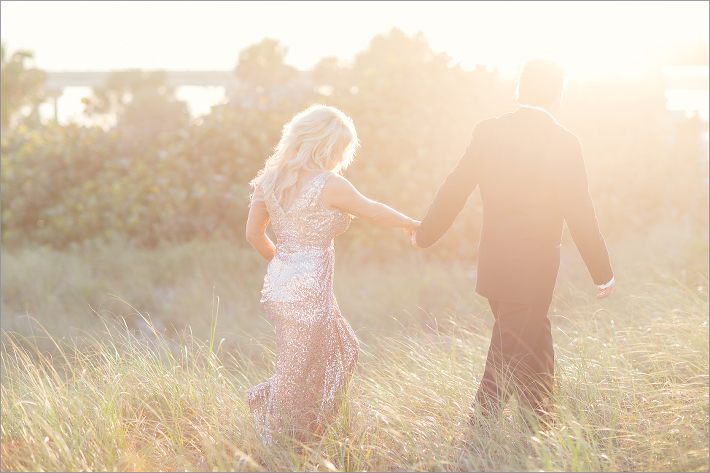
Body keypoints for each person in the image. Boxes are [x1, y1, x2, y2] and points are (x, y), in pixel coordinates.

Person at [411, 59, 615, 428]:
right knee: (509, 347)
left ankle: (540, 416)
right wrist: (602, 272)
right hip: (533, 268)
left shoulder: (488, 131)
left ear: (520, 89)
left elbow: (455, 187)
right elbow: (580, 212)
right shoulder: (565, 142)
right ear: (559, 94)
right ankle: (480, 427)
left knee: (532, 333)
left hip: (494, 261)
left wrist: (425, 234)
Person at [245, 104, 419, 443]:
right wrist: (411, 223)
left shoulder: (269, 181)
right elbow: (373, 211)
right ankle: (279, 441)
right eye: (341, 148)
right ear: (327, 145)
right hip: (309, 293)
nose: (341, 156)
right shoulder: (330, 184)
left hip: (281, 289)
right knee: (296, 372)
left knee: (344, 348)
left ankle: (308, 431)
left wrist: (284, 265)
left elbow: (254, 235)